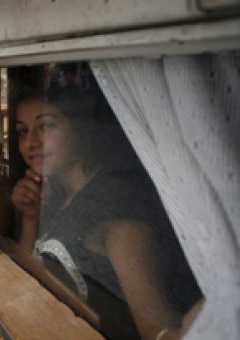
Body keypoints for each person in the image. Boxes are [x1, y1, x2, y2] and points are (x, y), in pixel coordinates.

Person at [11, 88, 202, 339]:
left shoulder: (116, 212)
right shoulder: (56, 194)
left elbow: (158, 332)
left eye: (45, 126)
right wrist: (30, 216)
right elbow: (29, 275)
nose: (29, 143)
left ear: (82, 129)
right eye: (22, 131)